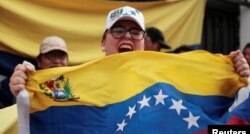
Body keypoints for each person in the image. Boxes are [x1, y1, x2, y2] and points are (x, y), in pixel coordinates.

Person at [9, 6, 250, 97]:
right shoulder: (76, 82)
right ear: (103, 43)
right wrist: (24, 89)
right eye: (119, 31)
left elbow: (225, 131)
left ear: (143, 42)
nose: (127, 36)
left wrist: (236, 84)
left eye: (135, 33)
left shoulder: (167, 80)